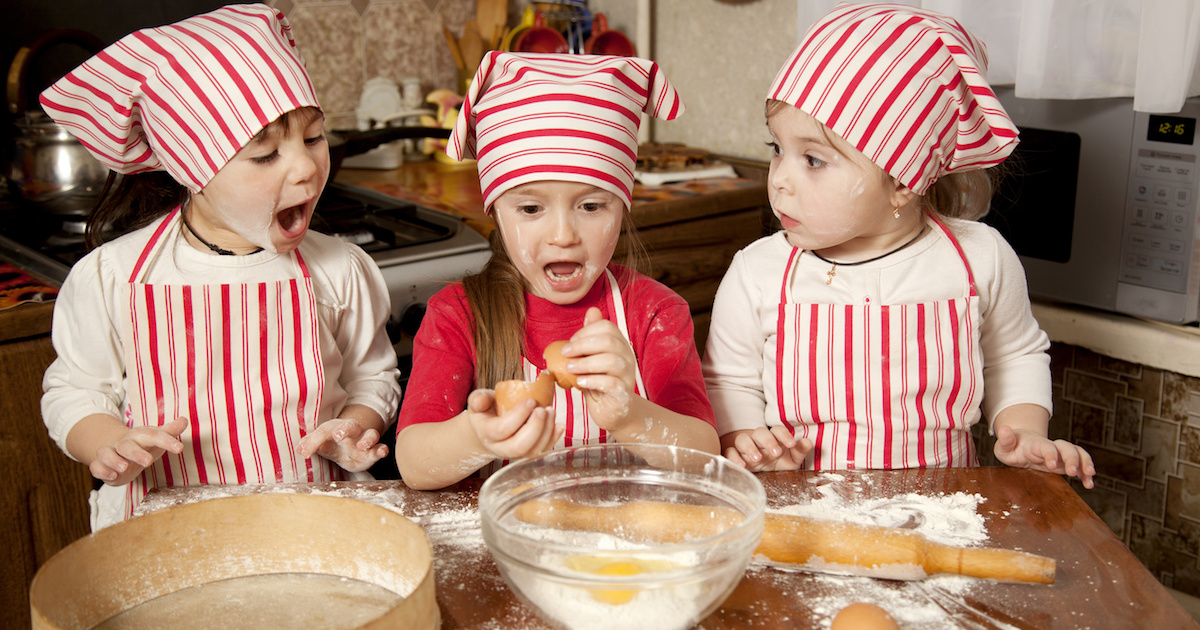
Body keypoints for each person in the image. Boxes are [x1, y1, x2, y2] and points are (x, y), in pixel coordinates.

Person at [702, 3, 1096, 488]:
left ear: (904, 180)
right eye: (777, 149)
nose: (780, 179)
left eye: (814, 160)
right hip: (800, 509)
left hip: (943, 507)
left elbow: (1014, 356)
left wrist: (1026, 431)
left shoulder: (977, 258)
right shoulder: (757, 272)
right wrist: (747, 439)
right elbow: (728, 381)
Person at [39, 4, 401, 530]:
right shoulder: (112, 277)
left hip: (319, 524)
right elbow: (74, 390)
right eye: (265, 154)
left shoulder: (339, 268)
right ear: (193, 168)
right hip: (162, 536)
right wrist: (106, 443)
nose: (304, 166)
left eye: (314, 136)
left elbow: (372, 376)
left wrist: (353, 428)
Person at [393, 52, 720, 489]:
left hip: (626, 547)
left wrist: (629, 414)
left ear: (622, 207)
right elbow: (415, 465)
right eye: (530, 208)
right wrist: (479, 435)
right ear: (495, 213)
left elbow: (705, 457)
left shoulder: (655, 313)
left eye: (590, 206)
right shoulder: (457, 315)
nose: (563, 235)